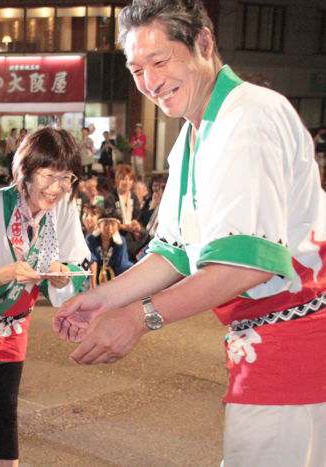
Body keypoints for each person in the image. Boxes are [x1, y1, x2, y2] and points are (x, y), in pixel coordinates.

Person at [53, 1, 326, 465]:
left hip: (300, 339)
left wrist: (138, 318)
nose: (150, 82)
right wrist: (104, 299)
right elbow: (176, 252)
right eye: (137, 68)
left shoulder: (250, 116)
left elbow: (246, 264)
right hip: (266, 339)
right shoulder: (194, 134)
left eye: (160, 61)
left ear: (203, 43)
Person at [0, 127, 90, 467]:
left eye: (65, 177)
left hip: (14, 322)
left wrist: (60, 275)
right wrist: (7, 273)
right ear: (25, 170)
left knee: (6, 408)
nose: (57, 188)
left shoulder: (63, 208)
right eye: (49, 176)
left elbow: (72, 267)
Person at [86, 211, 133, 286]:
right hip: (92, 278)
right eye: (106, 224)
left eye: (113, 224)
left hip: (114, 279)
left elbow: (122, 264)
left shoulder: (120, 242)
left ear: (117, 227)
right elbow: (91, 261)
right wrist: (93, 286)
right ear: (98, 225)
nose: (109, 228)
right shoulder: (91, 239)